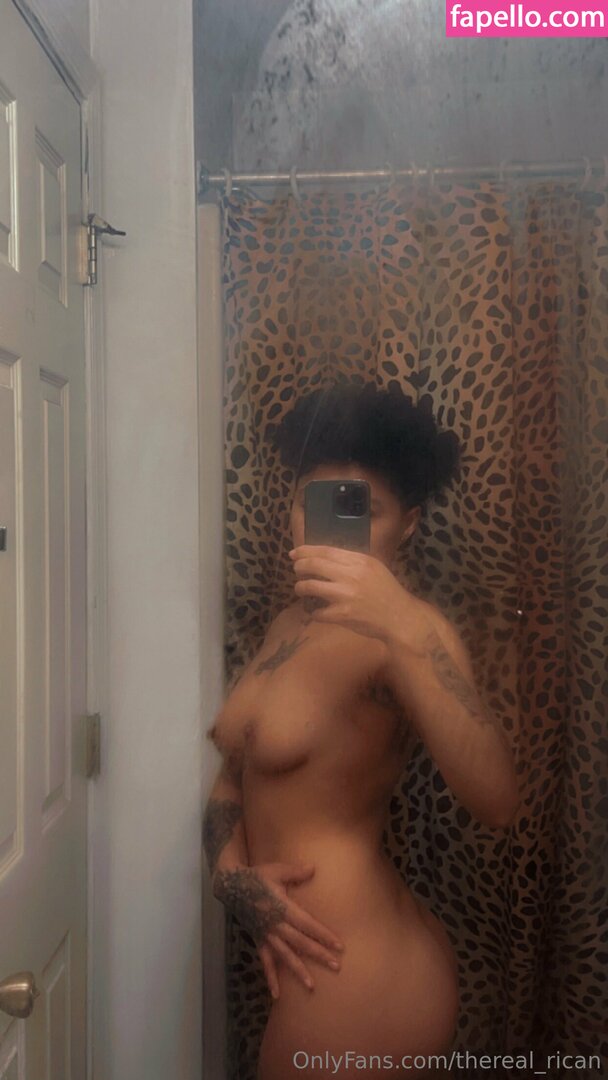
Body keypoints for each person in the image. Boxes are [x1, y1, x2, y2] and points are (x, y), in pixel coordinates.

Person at [203, 381, 520, 1079]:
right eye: (309, 502)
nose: (324, 528)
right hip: (317, 965)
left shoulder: (408, 634)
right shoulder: (286, 624)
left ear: (407, 525)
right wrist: (232, 880)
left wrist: (402, 623)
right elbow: (235, 775)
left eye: (362, 510)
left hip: (364, 973)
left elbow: (497, 800)